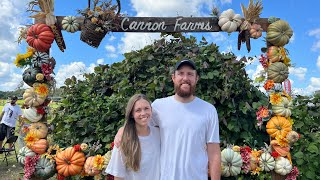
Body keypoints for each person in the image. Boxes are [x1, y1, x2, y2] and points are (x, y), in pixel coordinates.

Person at [115, 59, 221, 180]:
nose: (185, 78)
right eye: (180, 73)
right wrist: (122, 129)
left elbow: (214, 153)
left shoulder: (208, 110)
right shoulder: (159, 106)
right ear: (173, 78)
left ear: (196, 78)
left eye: (190, 74)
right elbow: (140, 123)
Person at [106, 94, 160, 180]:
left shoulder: (158, 134)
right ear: (131, 114)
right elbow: (118, 176)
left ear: (151, 110)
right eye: (138, 110)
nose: (143, 113)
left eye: (146, 108)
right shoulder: (123, 140)